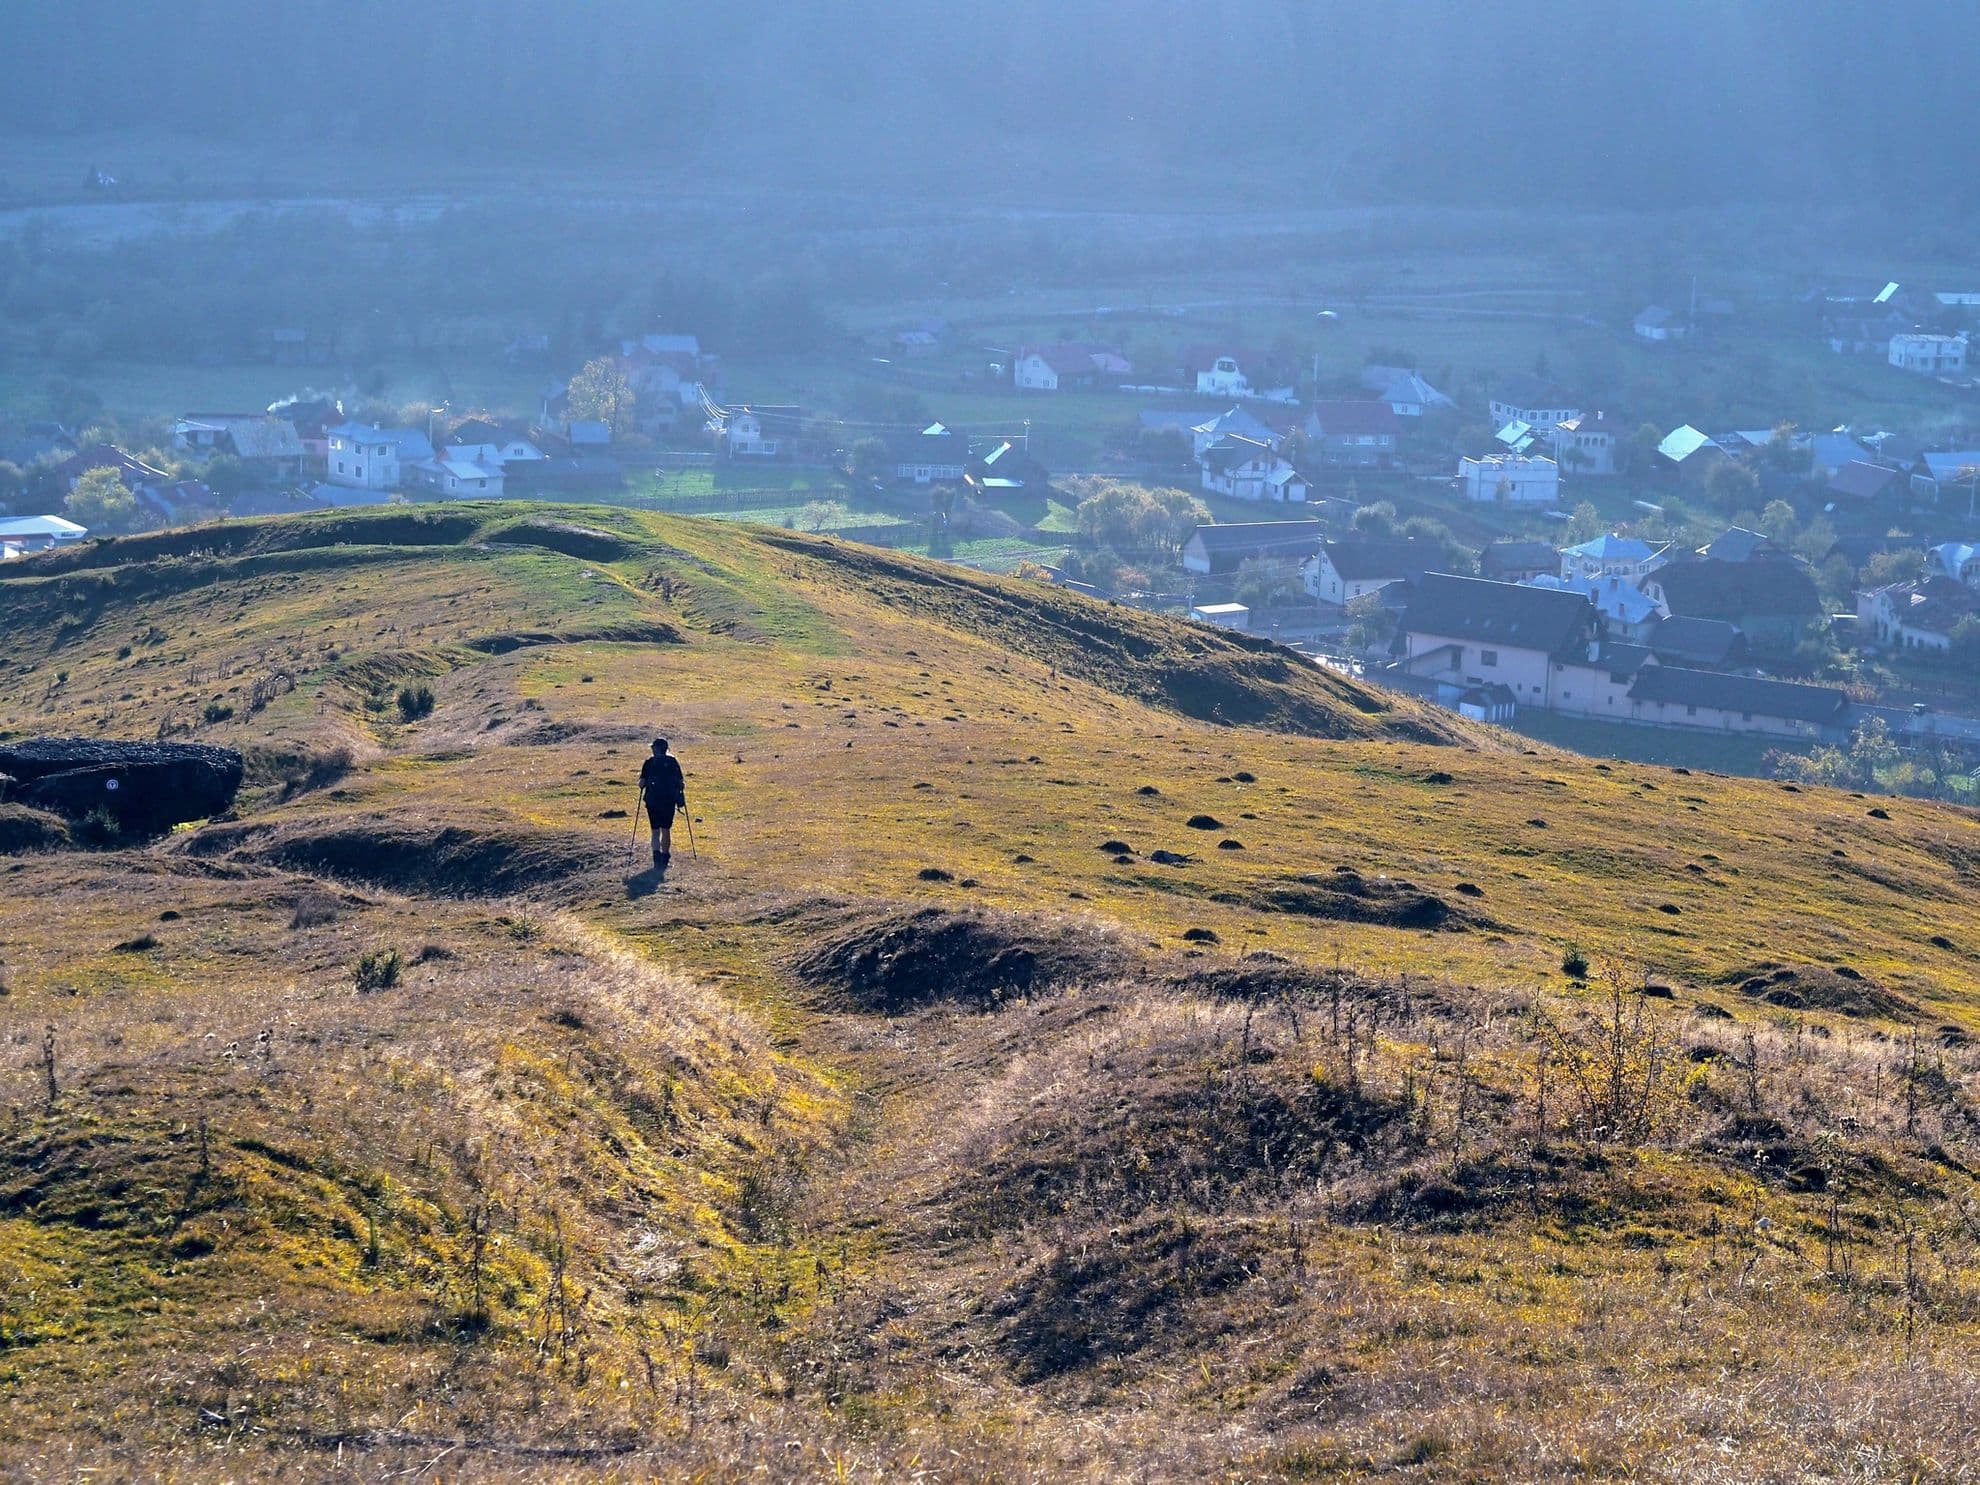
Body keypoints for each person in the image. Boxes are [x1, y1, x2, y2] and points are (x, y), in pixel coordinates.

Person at [638, 738, 686, 872]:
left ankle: (656, 856)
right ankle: (665, 856)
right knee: (666, 829)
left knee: (655, 830)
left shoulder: (649, 763)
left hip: (652, 801)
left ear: (655, 749)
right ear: (666, 749)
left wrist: (644, 784)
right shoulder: (673, 762)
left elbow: (642, 783)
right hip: (669, 800)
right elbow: (681, 783)